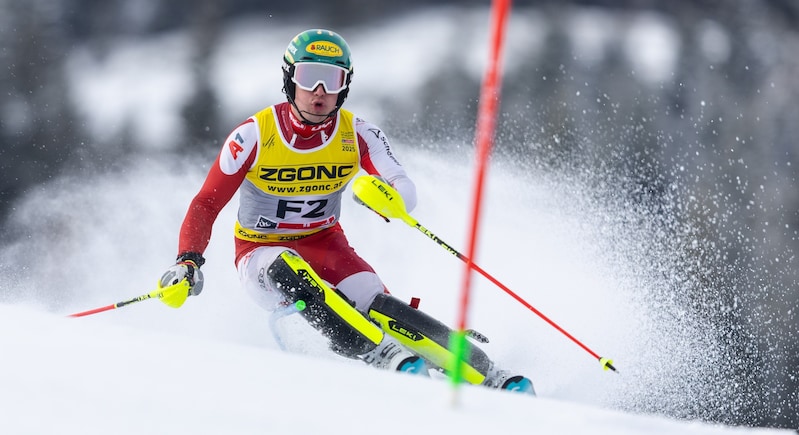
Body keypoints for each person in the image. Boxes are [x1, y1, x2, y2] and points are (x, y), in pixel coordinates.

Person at [158, 28, 534, 394]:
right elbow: (206, 202)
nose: (320, 92)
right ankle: (382, 354)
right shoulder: (254, 135)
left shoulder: (358, 134)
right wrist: (188, 260)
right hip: (260, 253)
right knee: (288, 267)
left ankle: (489, 374)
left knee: (377, 303)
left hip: (327, 245)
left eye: (332, 80)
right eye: (309, 77)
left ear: (346, 85)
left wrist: (389, 198)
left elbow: (403, 186)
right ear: (290, 80)